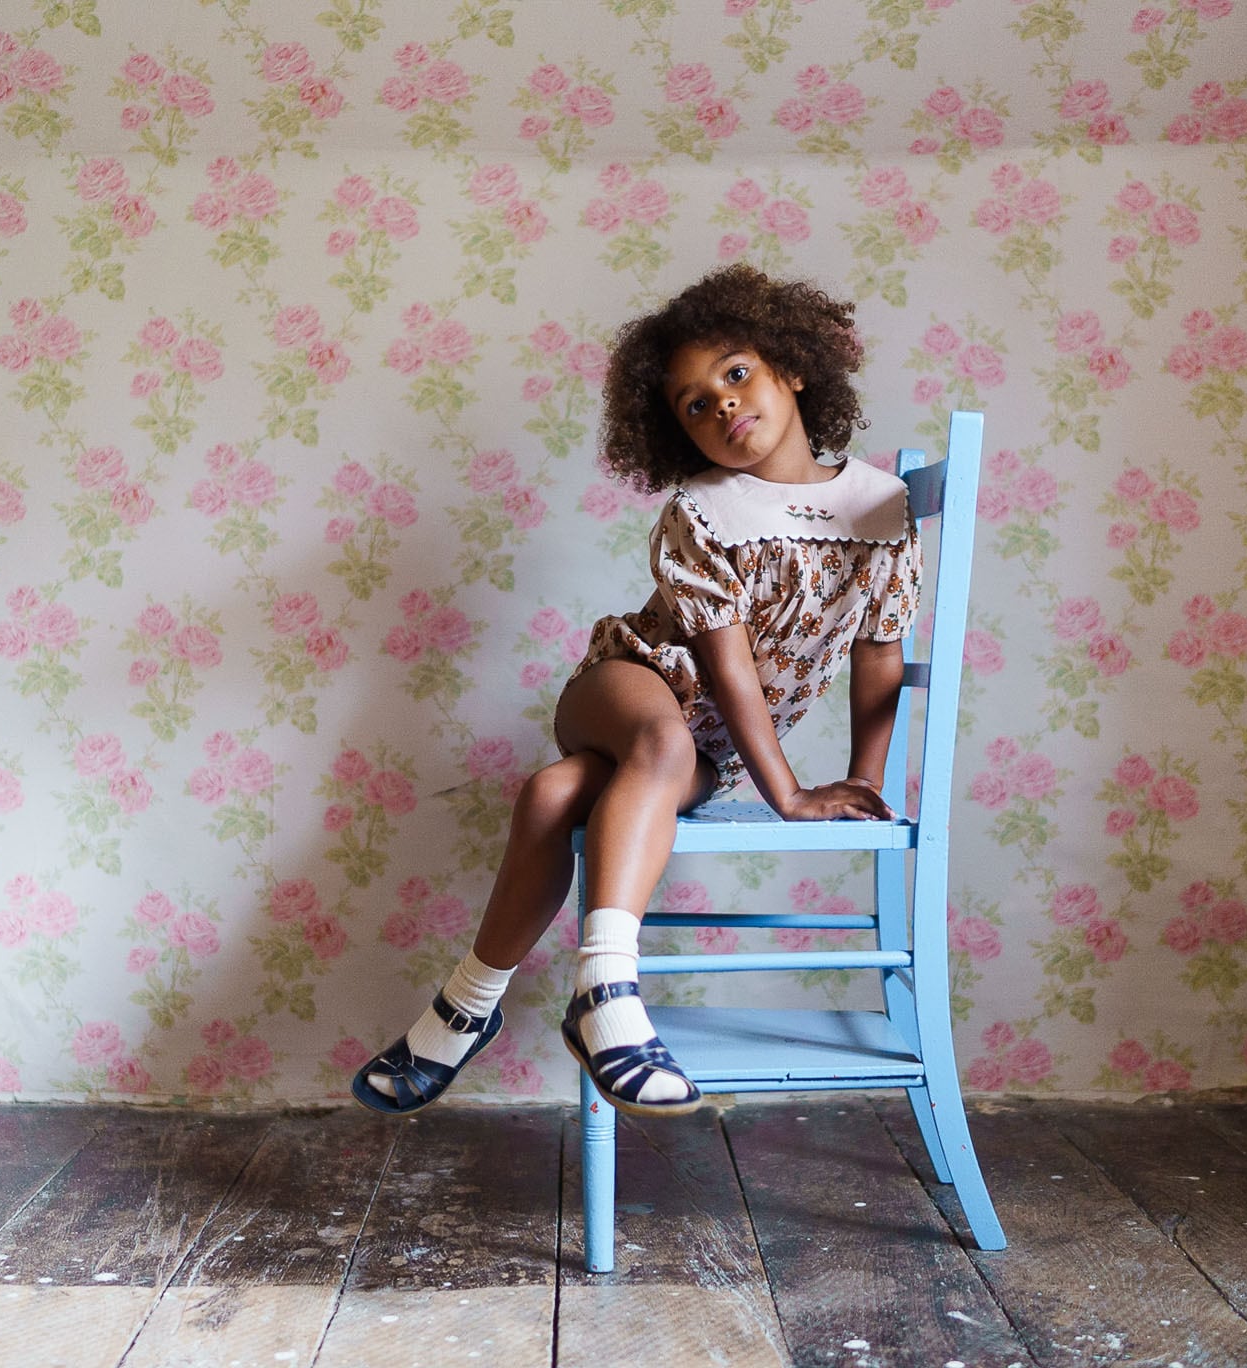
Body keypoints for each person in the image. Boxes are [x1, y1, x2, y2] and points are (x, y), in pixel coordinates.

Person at [353, 264, 920, 1117]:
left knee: (555, 794)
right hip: (633, 681)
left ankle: (464, 1007)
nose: (723, 404)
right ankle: (607, 995)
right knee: (659, 738)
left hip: (710, 749)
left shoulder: (881, 507)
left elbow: (879, 651)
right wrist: (790, 794)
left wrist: (863, 780)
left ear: (795, 367)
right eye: (695, 404)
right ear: (676, 434)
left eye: (737, 374)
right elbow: (726, 669)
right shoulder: (705, 511)